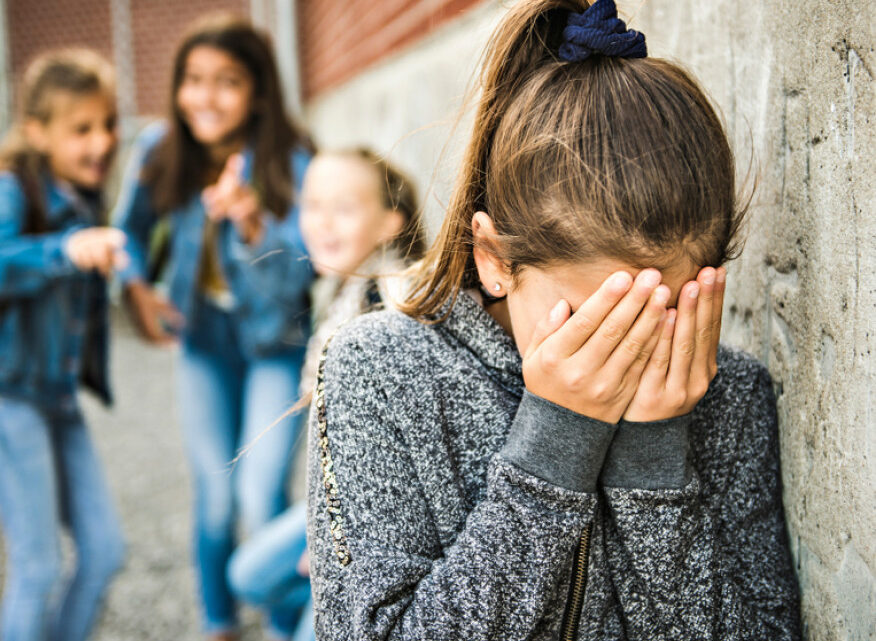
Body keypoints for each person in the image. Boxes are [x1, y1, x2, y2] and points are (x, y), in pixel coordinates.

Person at [306, 1, 802, 639]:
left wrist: (654, 462)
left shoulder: (727, 394)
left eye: (661, 313)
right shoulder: (378, 371)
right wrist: (553, 448)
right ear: (493, 260)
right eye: (593, 322)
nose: (624, 352)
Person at [114, 13, 314, 639]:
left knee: (259, 493)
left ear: (258, 92)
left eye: (227, 81)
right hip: (204, 343)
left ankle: (286, 624)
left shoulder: (292, 159)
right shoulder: (160, 149)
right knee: (217, 496)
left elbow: (302, 275)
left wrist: (253, 223)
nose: (205, 96)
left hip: (276, 343)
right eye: (193, 79)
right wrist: (136, 289)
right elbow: (127, 232)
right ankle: (218, 621)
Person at [227, 148, 425, 641]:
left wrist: (331, 542)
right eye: (312, 205)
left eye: (344, 208)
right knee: (248, 576)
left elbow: (395, 454)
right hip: (337, 503)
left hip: (376, 521)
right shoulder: (341, 291)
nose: (323, 222)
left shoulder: (392, 304)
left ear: (390, 223)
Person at [0, 49, 126, 641]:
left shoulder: (84, 195)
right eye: (81, 129)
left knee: (105, 551)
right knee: (37, 567)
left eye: (108, 124)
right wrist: (64, 250)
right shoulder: (10, 190)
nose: (102, 141)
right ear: (37, 132)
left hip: (58, 399)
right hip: (7, 398)